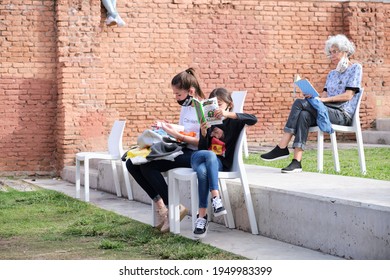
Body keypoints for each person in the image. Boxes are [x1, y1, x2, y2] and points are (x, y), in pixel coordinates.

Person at [260, 34, 363, 173]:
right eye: (330, 52)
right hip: (326, 110)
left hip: (342, 114)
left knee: (298, 103)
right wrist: (314, 96)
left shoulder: (355, 68)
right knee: (303, 114)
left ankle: (282, 146)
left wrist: (322, 100)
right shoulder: (332, 74)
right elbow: (324, 97)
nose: (332, 55)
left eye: (335, 51)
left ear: (345, 51)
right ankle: (296, 162)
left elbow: (348, 95)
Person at [126, 68, 205, 233]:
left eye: (178, 95)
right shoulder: (186, 107)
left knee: (148, 165)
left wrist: (176, 134)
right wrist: (167, 128)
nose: (176, 98)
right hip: (181, 149)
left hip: (196, 154)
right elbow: (184, 130)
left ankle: (173, 208)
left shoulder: (203, 109)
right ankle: (162, 207)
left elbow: (203, 142)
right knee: (132, 163)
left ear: (191, 91)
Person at [190, 88, 257, 239]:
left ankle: (201, 217)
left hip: (217, 163)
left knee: (202, 172)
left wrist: (228, 115)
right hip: (198, 157)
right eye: (212, 105)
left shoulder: (235, 122)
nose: (216, 109)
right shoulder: (210, 122)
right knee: (209, 154)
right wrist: (204, 133)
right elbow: (201, 149)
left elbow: (253, 119)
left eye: (218, 104)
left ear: (229, 105)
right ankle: (216, 198)